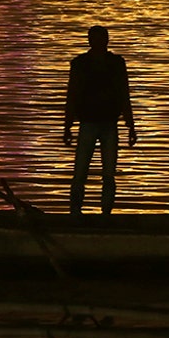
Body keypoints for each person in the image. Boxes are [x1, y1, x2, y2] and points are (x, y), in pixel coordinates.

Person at [63, 25, 137, 216]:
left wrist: (130, 124)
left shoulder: (116, 64)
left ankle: (106, 212)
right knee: (80, 173)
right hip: (88, 123)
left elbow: (124, 94)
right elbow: (72, 94)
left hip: (108, 123)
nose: (97, 42)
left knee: (108, 174)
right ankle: (75, 212)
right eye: (94, 38)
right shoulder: (80, 64)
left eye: (100, 38)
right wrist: (68, 125)